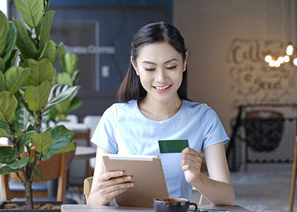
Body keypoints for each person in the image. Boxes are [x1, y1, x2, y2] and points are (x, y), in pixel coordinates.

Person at [88, 21, 235, 206]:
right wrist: (102, 195)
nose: (161, 78)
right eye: (150, 68)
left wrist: (198, 179)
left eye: (171, 67)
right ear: (135, 66)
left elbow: (227, 197)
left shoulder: (204, 118)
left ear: (184, 62)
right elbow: (93, 200)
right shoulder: (115, 117)